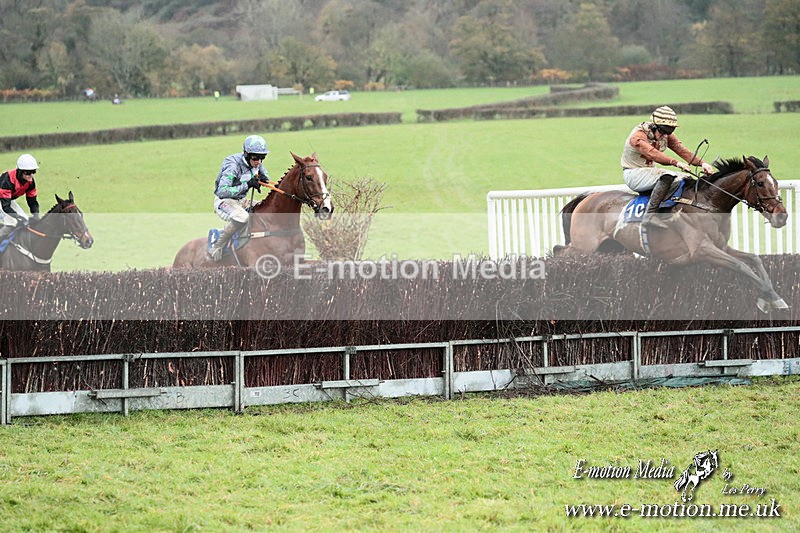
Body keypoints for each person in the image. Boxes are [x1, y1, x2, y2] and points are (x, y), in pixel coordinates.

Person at [621, 105, 715, 228]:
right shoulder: (637, 137)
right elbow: (653, 154)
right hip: (633, 174)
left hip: (649, 173)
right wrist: (676, 163)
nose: (665, 135)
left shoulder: (664, 134)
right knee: (668, 176)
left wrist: (703, 163)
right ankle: (650, 215)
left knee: (686, 178)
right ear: (654, 126)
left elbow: (682, 150)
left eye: (669, 132)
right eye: (663, 131)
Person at [208, 135, 270, 261]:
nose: (259, 162)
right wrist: (247, 185)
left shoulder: (257, 163)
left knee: (265, 207)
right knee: (242, 217)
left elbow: (265, 176)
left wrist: (264, 179)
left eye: (262, 158)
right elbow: (222, 191)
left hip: (241, 201)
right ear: (246, 154)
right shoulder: (233, 165)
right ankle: (217, 245)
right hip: (224, 201)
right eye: (255, 158)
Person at [0, 154, 41, 243]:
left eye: (33, 171)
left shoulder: (30, 182)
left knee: (25, 220)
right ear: (20, 171)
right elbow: (5, 207)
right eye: (28, 172)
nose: (31, 175)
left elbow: (32, 201)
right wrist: (17, 217)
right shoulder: (7, 180)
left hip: (7, 200)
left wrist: (36, 215)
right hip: (2, 201)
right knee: (12, 223)